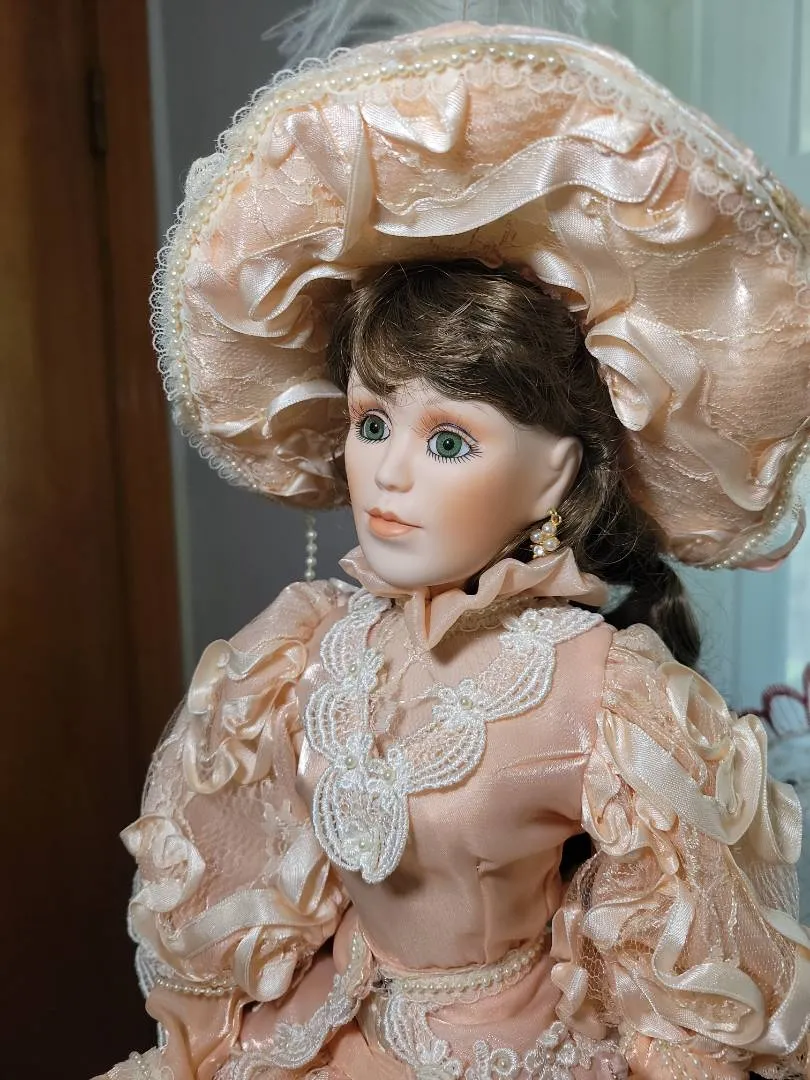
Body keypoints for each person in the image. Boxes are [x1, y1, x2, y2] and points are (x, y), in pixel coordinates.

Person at [98, 16, 810, 1080]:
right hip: (319, 1029)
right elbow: (229, 892)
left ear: (555, 474)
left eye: (447, 441)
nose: (387, 474)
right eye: (370, 421)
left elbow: (689, 980)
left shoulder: (604, 691)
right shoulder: (300, 652)